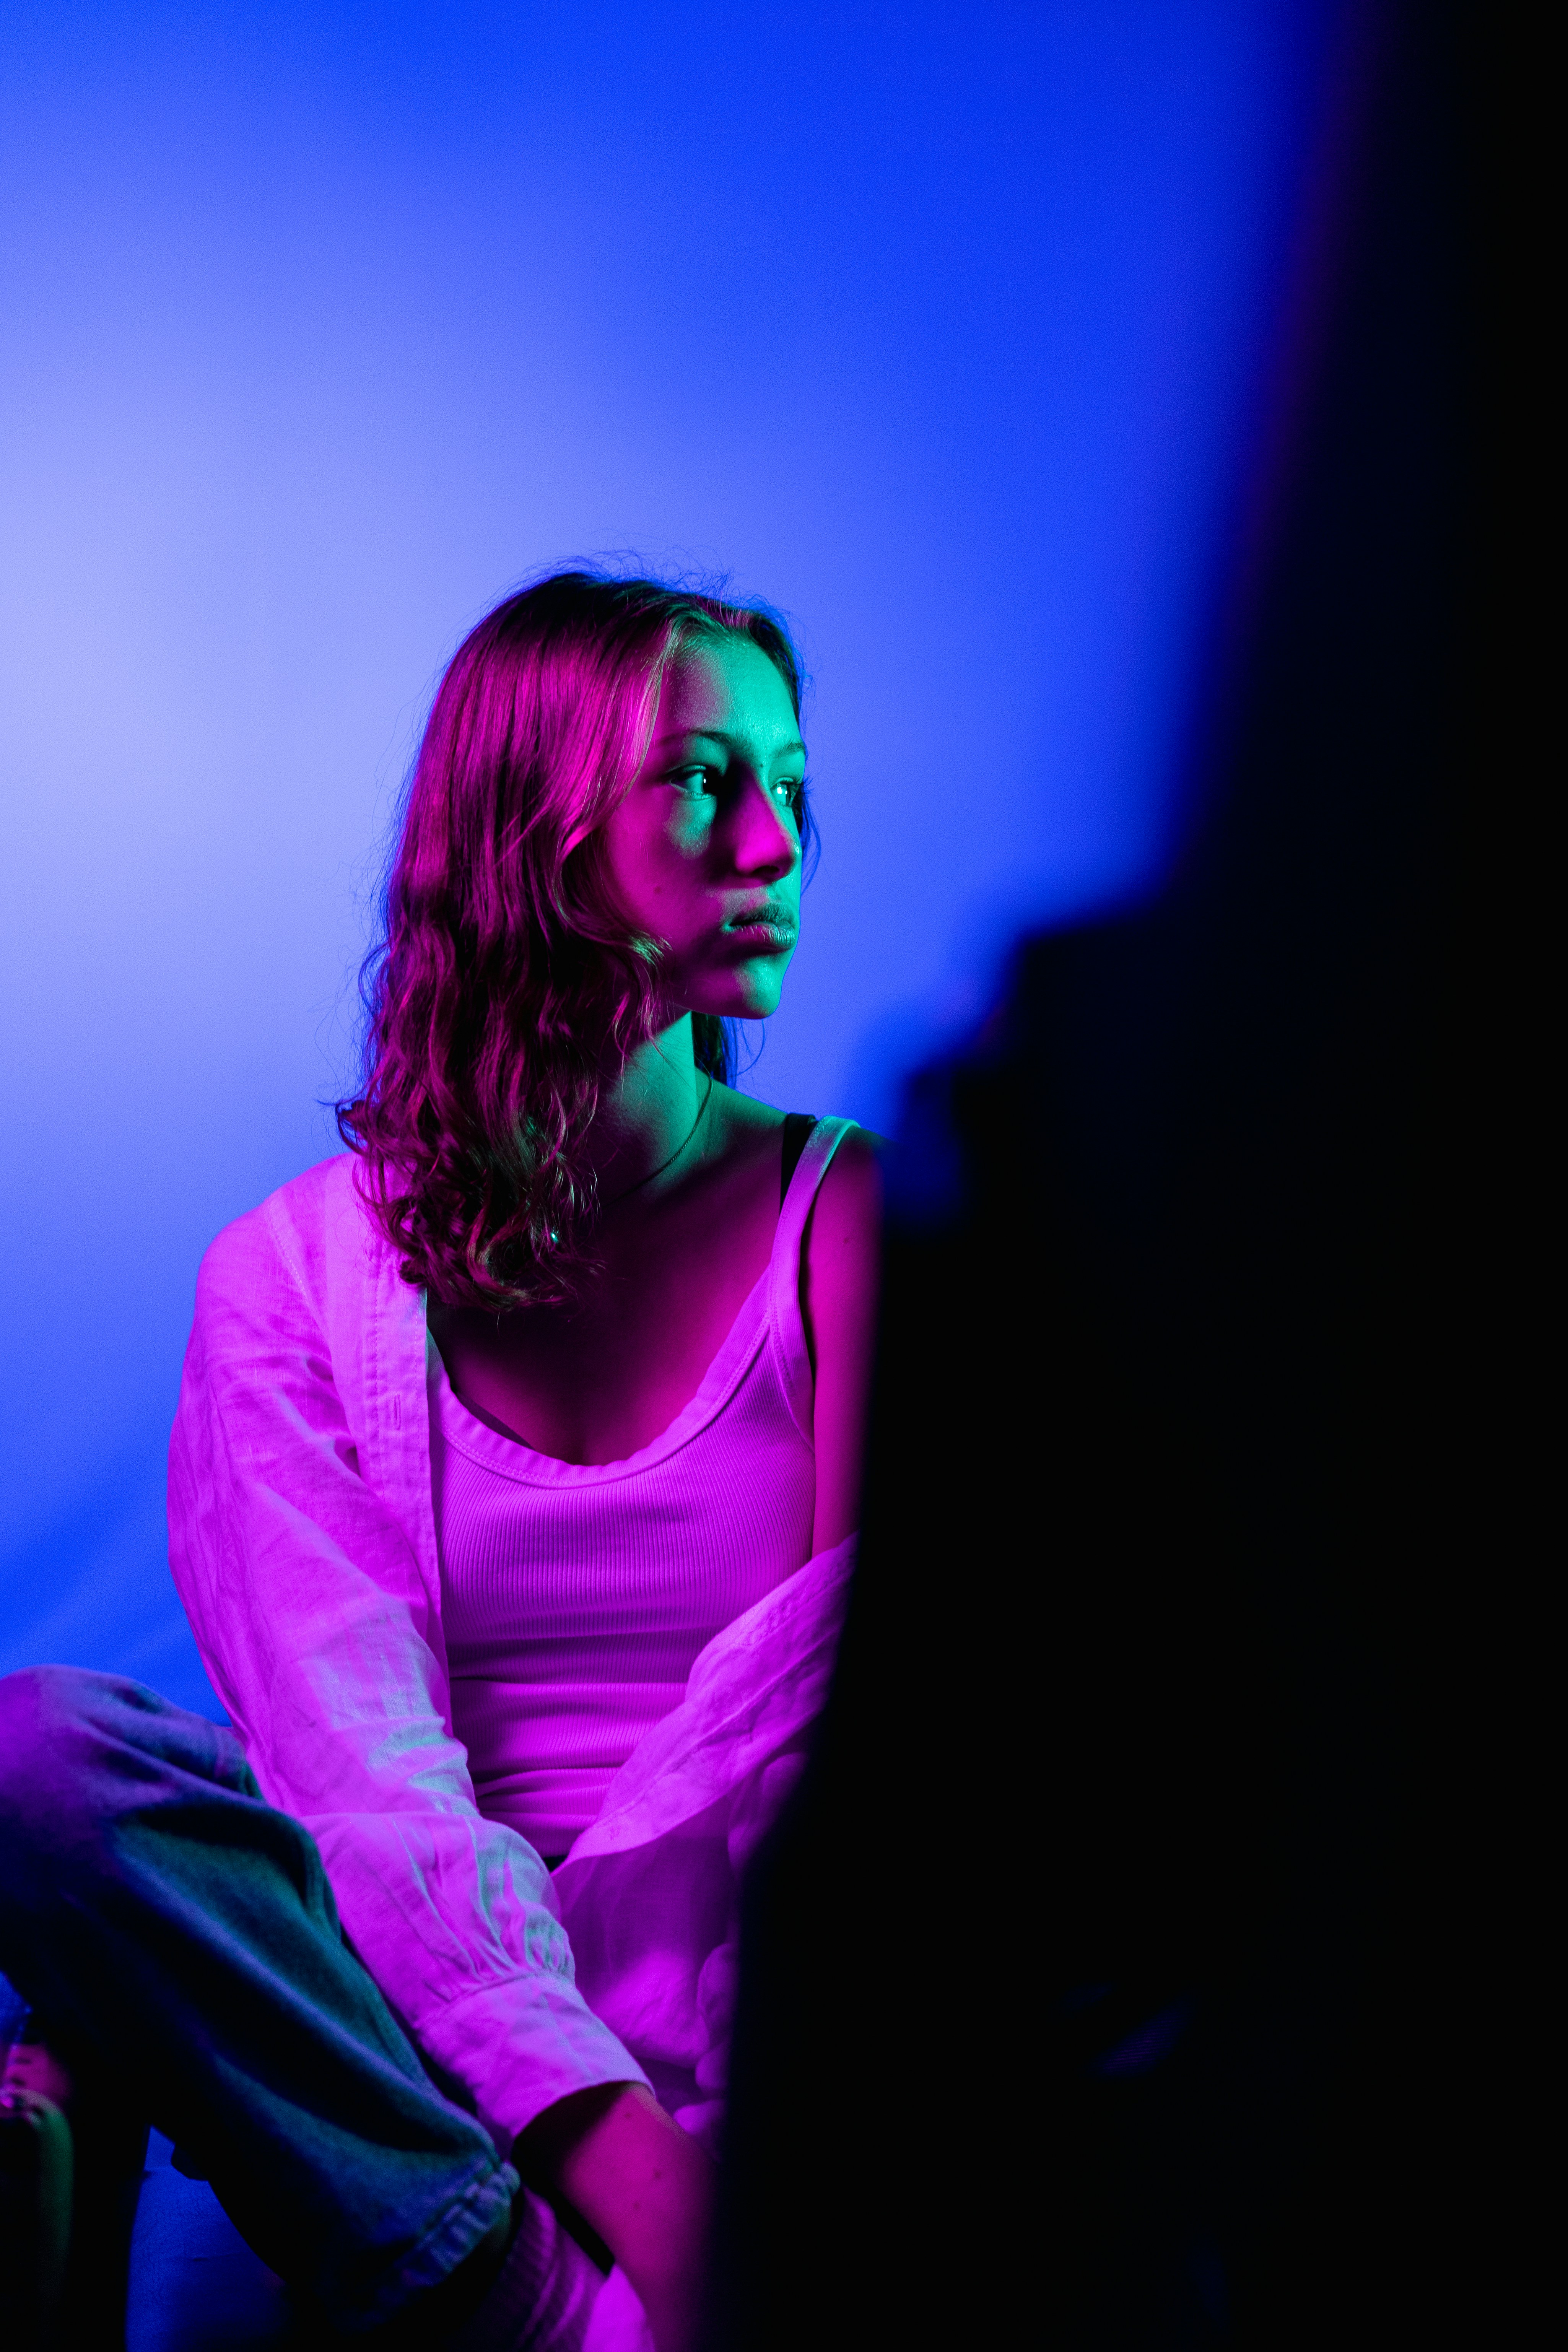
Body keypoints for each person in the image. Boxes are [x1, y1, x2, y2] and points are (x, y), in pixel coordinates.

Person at [0, 572, 882, 2350]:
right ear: (535, 829)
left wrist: (746, 2179)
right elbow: (362, 1791)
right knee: (45, 1755)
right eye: (704, 780)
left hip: (764, 2055)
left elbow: (865, 1765)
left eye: (791, 783)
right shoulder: (289, 1279)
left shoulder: (845, 1218)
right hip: (417, 2084)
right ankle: (508, 2284)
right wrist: (642, 2202)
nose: (774, 842)